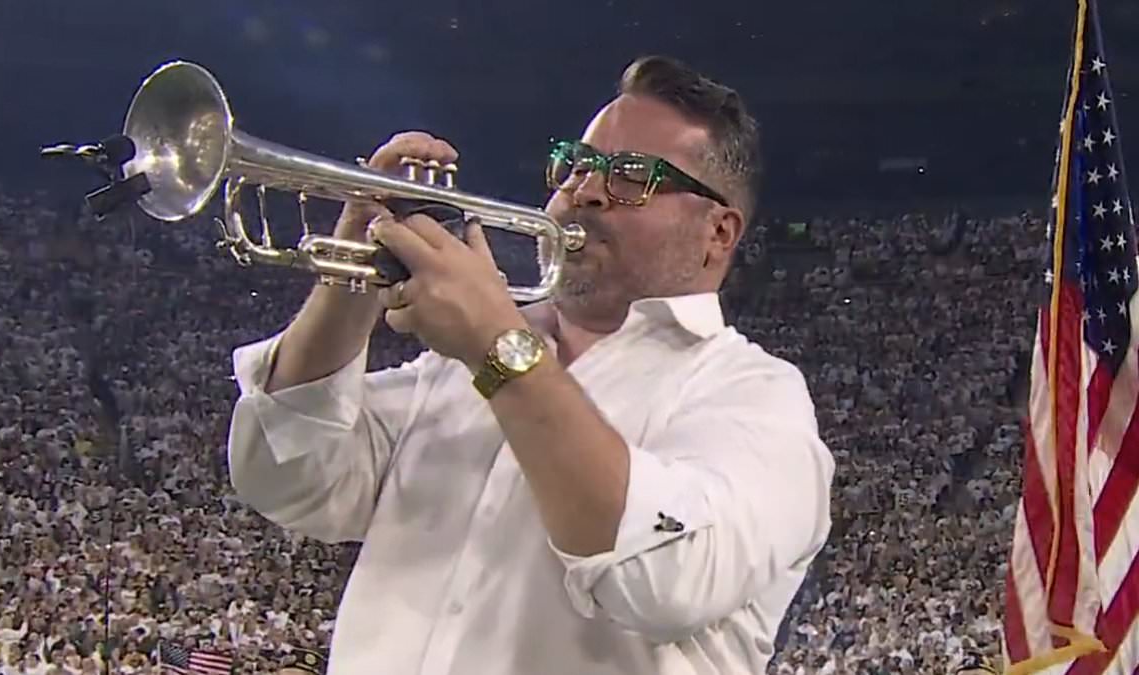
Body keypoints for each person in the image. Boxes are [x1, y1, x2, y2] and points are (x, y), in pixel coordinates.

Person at [227, 54, 834, 674]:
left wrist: (495, 345)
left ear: (719, 233)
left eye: (631, 176)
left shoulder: (756, 396)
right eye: (578, 164)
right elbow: (286, 474)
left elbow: (666, 581)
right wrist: (357, 263)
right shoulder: (454, 368)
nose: (585, 191)